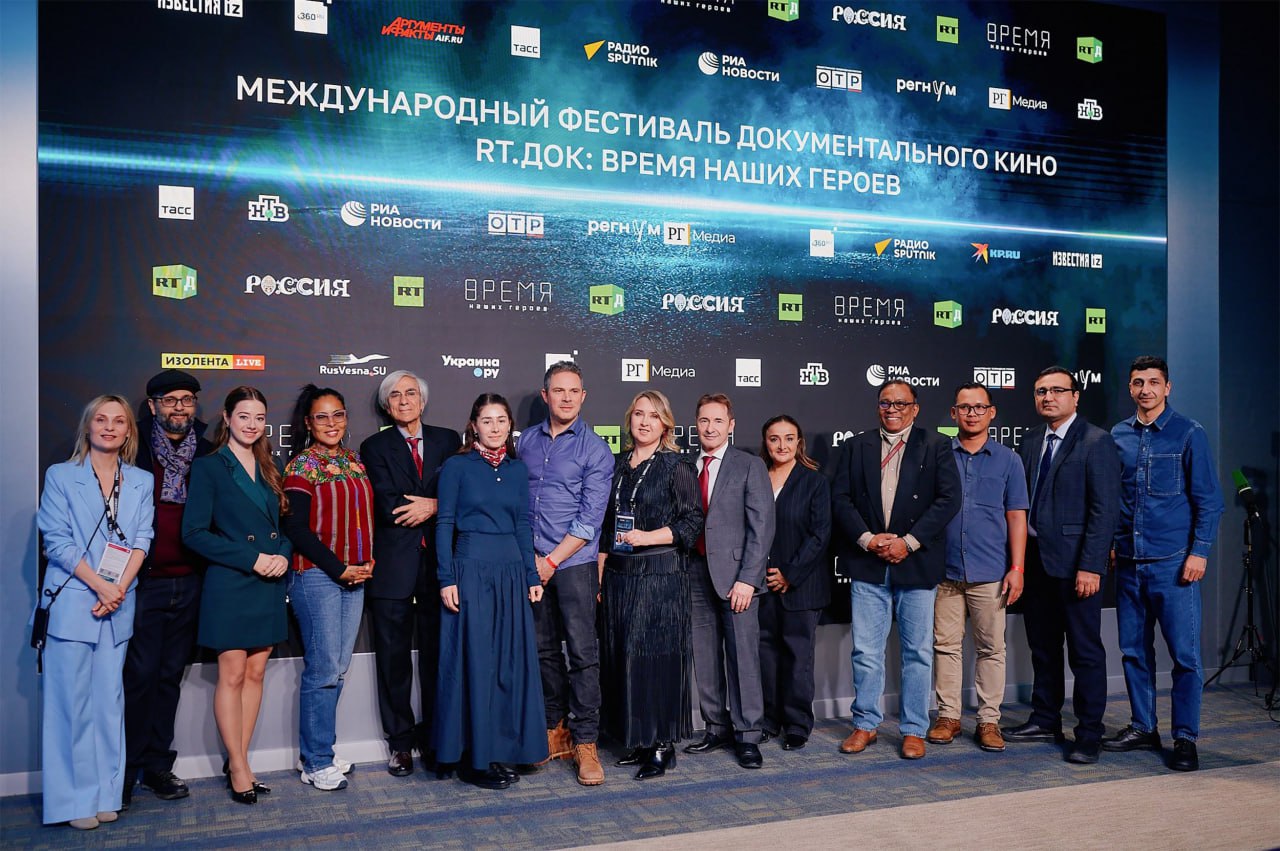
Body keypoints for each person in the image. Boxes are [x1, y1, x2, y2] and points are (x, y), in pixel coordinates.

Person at [36, 395, 154, 830]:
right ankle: (73, 801)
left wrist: (117, 588)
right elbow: (57, 541)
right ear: (87, 427)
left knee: (108, 704)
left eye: (118, 421)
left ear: (128, 431)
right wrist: (102, 585)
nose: (109, 427)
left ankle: (106, 793)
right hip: (74, 601)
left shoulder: (140, 481)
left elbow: (142, 539)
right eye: (101, 420)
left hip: (117, 605)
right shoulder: (62, 475)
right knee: (71, 706)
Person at [1103, 356, 1224, 771]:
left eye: (1154, 382)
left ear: (1167, 388)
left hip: (1174, 565)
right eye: (1138, 382)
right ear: (1130, 387)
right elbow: (1114, 499)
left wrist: (1199, 552)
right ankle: (1143, 726)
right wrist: (1113, 544)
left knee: (1185, 657)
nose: (1146, 390)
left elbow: (1209, 500)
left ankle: (1185, 738)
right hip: (1129, 563)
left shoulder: (1189, 433)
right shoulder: (1118, 435)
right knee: (1133, 652)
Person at [830, 379, 960, 760]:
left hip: (916, 563)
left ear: (915, 409)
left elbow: (948, 499)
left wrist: (909, 542)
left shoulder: (936, 445)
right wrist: (868, 539)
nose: (893, 409)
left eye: (901, 403)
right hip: (868, 563)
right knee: (865, 651)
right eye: (886, 403)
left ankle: (914, 729)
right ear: (878, 407)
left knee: (917, 652)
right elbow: (840, 499)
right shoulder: (856, 446)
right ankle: (865, 724)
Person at [1003, 367, 1121, 765]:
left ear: (1075, 396)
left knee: (1085, 652)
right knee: (1043, 647)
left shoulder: (1097, 441)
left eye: (1056, 390)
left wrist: (1092, 566)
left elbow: (1105, 511)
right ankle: (1045, 719)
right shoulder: (1031, 439)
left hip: (1077, 566)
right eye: (1041, 391)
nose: (1048, 397)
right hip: (1035, 562)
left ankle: (1089, 733)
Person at [182, 386, 292, 804]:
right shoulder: (209, 467)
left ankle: (239, 759)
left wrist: (281, 556)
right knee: (231, 674)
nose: (252, 424)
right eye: (244, 416)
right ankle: (240, 767)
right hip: (231, 581)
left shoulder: (271, 464)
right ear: (227, 418)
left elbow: (283, 527)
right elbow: (194, 533)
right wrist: (253, 558)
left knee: (256, 673)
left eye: (259, 418)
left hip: (268, 581)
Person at [433, 394, 546, 789]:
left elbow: (523, 525)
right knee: (477, 663)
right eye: (487, 420)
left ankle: (504, 750)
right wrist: (446, 578)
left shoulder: (517, 469)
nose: (495, 428)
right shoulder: (457, 466)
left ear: (509, 426)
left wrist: (531, 575)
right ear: (473, 425)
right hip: (471, 572)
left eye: (501, 420)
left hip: (512, 573)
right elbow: (444, 523)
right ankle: (474, 760)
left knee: (509, 665)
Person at [359, 371, 460, 777]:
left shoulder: (448, 440)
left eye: (411, 393)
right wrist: (436, 503)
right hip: (393, 569)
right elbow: (387, 504)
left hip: (441, 568)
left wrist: (435, 506)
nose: (404, 401)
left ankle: (438, 740)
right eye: (396, 395)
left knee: (440, 658)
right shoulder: (374, 446)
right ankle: (400, 744)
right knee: (393, 662)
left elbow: (463, 494)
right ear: (387, 405)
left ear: (423, 400)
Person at [517, 361, 614, 785]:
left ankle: (586, 741)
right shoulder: (525, 442)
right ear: (545, 396)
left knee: (582, 654)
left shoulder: (596, 450)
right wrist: (533, 561)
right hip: (533, 563)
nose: (567, 398)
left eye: (574, 391)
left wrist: (551, 561)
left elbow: (590, 521)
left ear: (583, 396)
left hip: (572, 565)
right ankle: (554, 730)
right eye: (559, 390)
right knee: (542, 651)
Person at [599, 390, 704, 780]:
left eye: (653, 416)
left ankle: (662, 746)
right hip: (619, 575)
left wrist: (647, 537)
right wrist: (600, 573)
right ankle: (640, 739)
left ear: (665, 424)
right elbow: (606, 526)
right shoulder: (616, 464)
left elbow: (692, 522)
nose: (644, 422)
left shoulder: (677, 465)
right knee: (624, 659)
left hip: (660, 575)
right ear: (630, 419)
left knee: (655, 660)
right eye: (639, 414)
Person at [122, 370, 213, 809]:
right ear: (153, 405)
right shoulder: (131, 447)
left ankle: (158, 764)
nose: (179, 407)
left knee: (169, 677)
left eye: (187, 400)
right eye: (170, 399)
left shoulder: (207, 451)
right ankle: (124, 769)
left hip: (190, 581)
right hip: (142, 581)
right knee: (137, 677)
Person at [281, 385, 375, 792]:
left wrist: (366, 562)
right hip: (317, 576)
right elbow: (296, 529)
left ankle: (321, 749)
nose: (331, 423)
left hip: (355, 576)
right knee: (322, 671)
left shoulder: (354, 462)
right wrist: (340, 569)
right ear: (308, 423)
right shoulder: (302, 466)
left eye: (338, 414)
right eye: (322, 416)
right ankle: (315, 760)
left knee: (337, 668)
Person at [927, 383, 1029, 753]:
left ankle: (988, 720)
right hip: (945, 571)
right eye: (965, 408)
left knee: (991, 649)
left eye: (979, 407)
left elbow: (1016, 516)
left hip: (990, 572)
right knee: (945, 647)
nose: (972, 414)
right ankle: (948, 716)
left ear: (991, 412)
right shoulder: (939, 455)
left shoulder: (1009, 460)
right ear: (954, 413)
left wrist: (1017, 567)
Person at [683, 393, 775, 770]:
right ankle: (716, 727)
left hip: (737, 579)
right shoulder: (686, 466)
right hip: (694, 574)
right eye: (704, 420)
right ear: (696, 424)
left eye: (718, 421)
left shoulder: (749, 465)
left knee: (743, 658)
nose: (710, 428)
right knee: (704, 656)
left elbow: (762, 527)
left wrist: (749, 580)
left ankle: (748, 734)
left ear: (731, 425)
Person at [757, 415, 831, 751]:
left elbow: (820, 534)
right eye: (774, 439)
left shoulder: (814, 482)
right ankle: (769, 720)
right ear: (766, 442)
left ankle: (798, 725)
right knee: (766, 656)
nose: (782, 445)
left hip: (801, 586)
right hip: (762, 585)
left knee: (798, 658)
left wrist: (790, 573)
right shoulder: (757, 477)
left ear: (799, 442)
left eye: (789, 438)